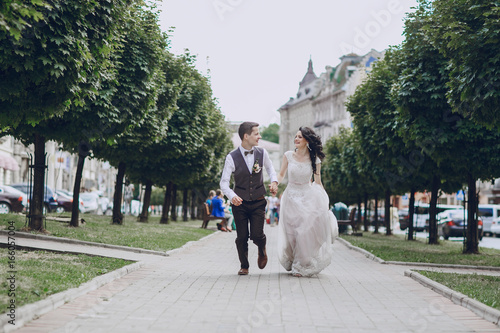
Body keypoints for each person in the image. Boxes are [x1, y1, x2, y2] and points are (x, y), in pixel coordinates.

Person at [276, 126, 339, 277]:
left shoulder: (314, 159)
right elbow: (281, 174)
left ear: (307, 140)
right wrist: (274, 183)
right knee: (291, 234)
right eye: (295, 136)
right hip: (290, 197)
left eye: (299, 137)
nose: (296, 139)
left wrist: (324, 199)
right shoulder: (288, 156)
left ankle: (301, 264)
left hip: (307, 197)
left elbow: (317, 181)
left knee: (303, 231)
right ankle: (293, 259)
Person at [220, 121, 278, 275]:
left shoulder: (262, 153)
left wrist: (274, 181)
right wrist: (232, 196)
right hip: (240, 203)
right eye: (256, 133)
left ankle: (262, 248)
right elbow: (224, 183)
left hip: (258, 200)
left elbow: (271, 169)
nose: (259, 136)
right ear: (246, 136)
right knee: (242, 237)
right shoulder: (231, 157)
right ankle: (244, 265)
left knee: (257, 235)